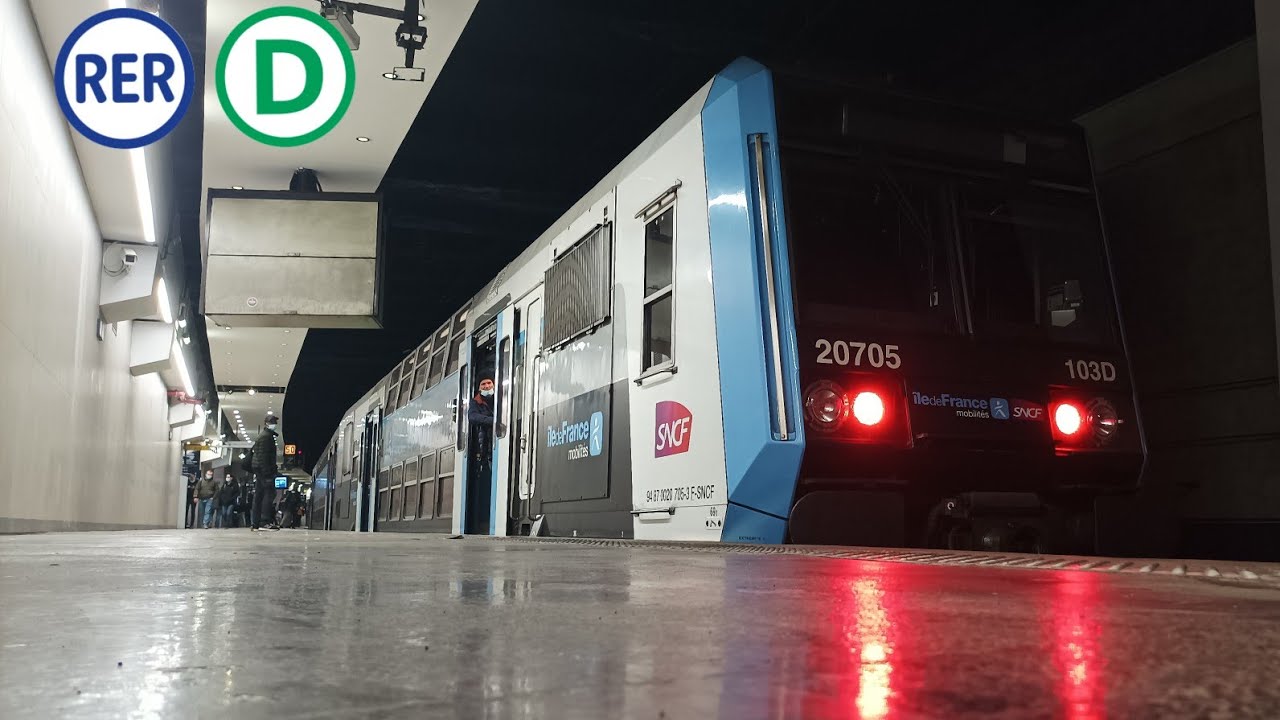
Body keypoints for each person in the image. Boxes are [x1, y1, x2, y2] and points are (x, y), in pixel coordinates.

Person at [251, 413, 282, 532]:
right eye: (273, 422)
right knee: (268, 495)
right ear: (267, 424)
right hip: (264, 472)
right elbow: (264, 457)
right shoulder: (266, 437)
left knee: (259, 496)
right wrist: (268, 473)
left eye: (275, 422)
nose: (275, 424)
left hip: (260, 471)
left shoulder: (265, 436)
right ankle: (264, 521)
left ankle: (256, 523)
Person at [468, 376, 496, 475]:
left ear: (494, 384)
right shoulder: (475, 402)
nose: (486, 386)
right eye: (483, 384)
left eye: (489, 383)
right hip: (486, 444)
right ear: (479, 388)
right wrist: (493, 421)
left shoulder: (502, 398)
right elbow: (472, 416)